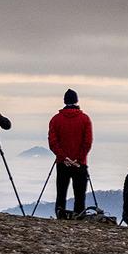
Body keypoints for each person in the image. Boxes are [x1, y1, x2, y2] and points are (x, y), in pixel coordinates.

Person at [48, 89, 94, 218]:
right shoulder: (85, 119)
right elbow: (87, 142)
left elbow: (52, 142)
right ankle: (78, 217)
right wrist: (78, 159)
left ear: (64, 101)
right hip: (80, 164)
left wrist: (63, 157)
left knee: (61, 192)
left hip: (62, 163)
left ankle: (60, 215)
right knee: (80, 194)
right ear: (76, 101)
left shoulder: (55, 120)